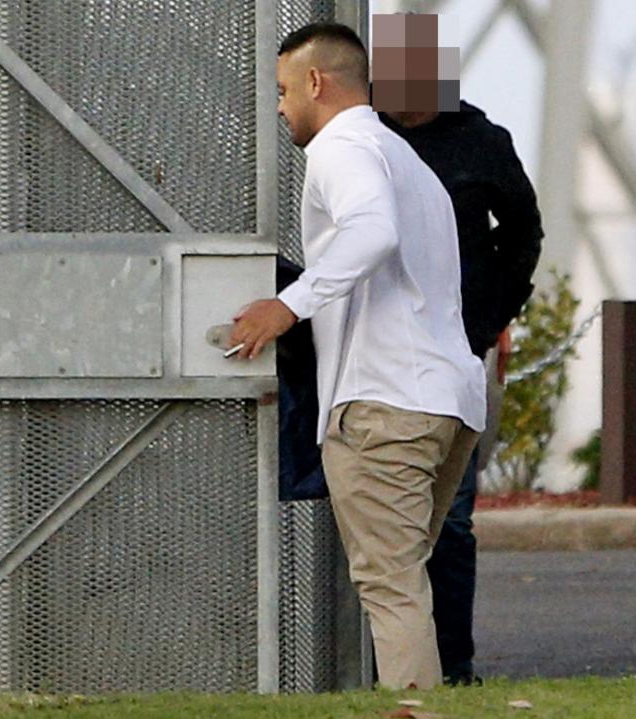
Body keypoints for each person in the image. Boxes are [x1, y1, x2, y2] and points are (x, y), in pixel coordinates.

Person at [230, 22, 486, 690]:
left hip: (382, 405)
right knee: (406, 582)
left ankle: (413, 710)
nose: (280, 106)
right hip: (447, 402)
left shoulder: (340, 148)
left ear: (315, 82)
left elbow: (369, 231)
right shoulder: (407, 160)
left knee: (390, 586)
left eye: (282, 90)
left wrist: (287, 305)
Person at [379, 102, 543, 686]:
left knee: (448, 517)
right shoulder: (361, 134)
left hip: (457, 352)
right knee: (378, 518)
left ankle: (453, 667)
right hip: (376, 354)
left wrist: (492, 314)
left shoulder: (481, 140)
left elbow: (525, 233)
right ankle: (380, 665)